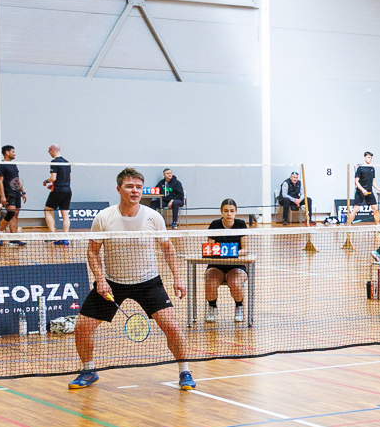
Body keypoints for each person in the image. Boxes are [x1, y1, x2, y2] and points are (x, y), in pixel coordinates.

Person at [70, 168, 195, 391]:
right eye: (129, 186)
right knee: (82, 327)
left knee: (172, 327)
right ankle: (88, 371)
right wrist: (100, 280)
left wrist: (178, 277)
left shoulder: (153, 217)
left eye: (138, 187)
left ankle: (185, 371)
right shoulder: (104, 217)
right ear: (119, 189)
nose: (135, 191)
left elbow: (168, 249)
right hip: (113, 283)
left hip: (148, 282)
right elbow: (92, 252)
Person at [204, 199, 252, 323]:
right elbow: (210, 248)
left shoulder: (241, 224)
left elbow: (245, 249)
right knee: (210, 283)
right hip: (216, 265)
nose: (229, 214)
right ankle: (212, 307)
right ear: (221, 211)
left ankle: (239, 307)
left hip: (236, 265)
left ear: (236, 212)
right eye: (226, 211)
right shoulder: (215, 224)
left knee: (235, 283)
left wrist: (230, 252)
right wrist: (220, 252)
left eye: (231, 211)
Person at [43, 144, 74, 241]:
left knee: (47, 210)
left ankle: (52, 235)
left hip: (58, 191)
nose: (49, 154)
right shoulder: (67, 162)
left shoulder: (54, 162)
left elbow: (53, 178)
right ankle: (65, 238)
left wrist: (46, 181)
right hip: (67, 190)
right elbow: (69, 178)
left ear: (53, 150)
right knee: (65, 214)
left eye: (49, 152)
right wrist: (53, 185)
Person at [0, 145, 25, 239]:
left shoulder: (14, 165)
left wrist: (23, 192)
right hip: (8, 193)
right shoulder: (1, 166)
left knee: (15, 215)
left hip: (17, 193)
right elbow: (0, 181)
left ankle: (14, 239)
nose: (14, 154)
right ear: (7, 152)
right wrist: (2, 196)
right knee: (11, 214)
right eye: (13, 152)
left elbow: (17, 180)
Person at [351, 152, 378, 223]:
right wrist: (362, 190)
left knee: (375, 209)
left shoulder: (372, 168)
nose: (370, 159)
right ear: (364, 157)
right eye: (368, 157)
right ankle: (348, 225)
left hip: (369, 191)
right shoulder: (360, 168)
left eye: (371, 158)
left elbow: (373, 181)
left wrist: (378, 188)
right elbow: (356, 182)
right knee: (356, 209)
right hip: (360, 191)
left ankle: (378, 226)